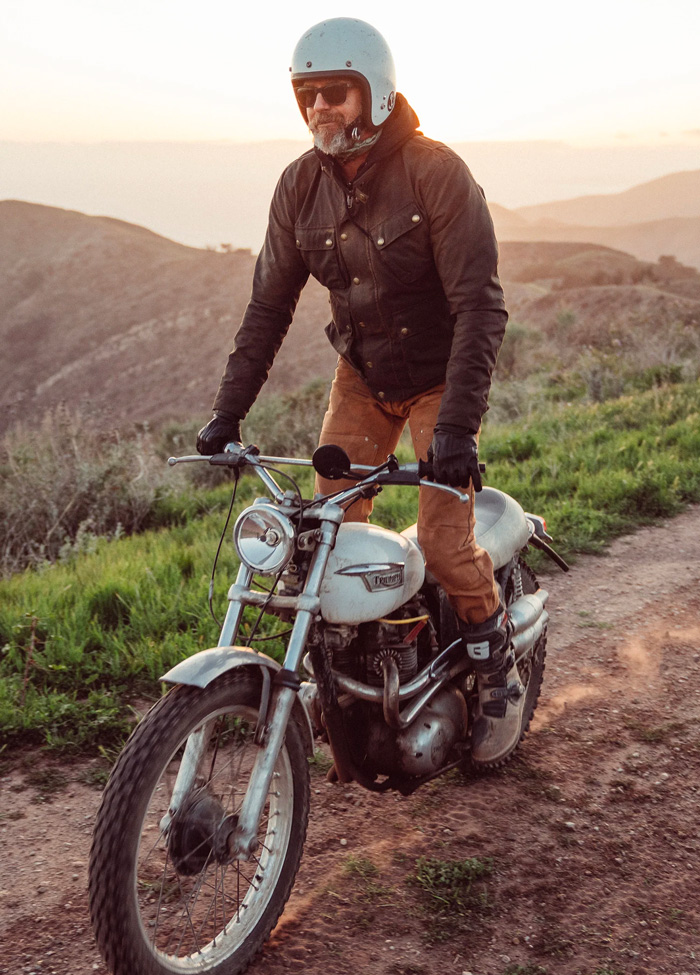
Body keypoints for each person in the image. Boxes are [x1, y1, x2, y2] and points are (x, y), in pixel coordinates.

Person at [196, 17, 523, 765]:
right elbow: (267, 308)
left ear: (372, 93)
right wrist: (227, 411)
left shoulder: (435, 172)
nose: (319, 108)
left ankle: (495, 659)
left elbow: (480, 306)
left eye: (334, 93)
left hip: (441, 377)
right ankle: (354, 670)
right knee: (321, 539)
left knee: (442, 541)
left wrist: (458, 432)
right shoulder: (299, 186)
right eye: (306, 94)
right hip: (365, 378)